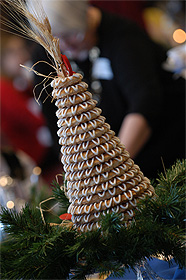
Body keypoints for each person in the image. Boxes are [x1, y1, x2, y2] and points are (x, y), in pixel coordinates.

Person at [32, 0, 185, 179]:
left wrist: (111, 169)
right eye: (56, 39)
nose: (65, 46)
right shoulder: (46, 54)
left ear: (85, 14)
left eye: (72, 34)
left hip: (165, 156)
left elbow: (144, 103)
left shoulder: (124, 37)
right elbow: (56, 123)